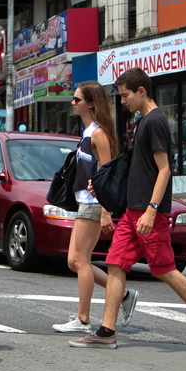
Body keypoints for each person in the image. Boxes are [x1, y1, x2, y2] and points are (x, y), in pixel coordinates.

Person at [71, 68, 186, 353]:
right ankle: (107, 330)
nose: (122, 101)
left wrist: (152, 210)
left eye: (125, 95)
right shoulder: (143, 121)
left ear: (141, 91)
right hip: (133, 211)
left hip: (147, 212)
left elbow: (164, 170)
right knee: (116, 263)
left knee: (166, 270)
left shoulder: (155, 121)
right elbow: (139, 169)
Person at [52, 81, 139, 334]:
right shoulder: (88, 132)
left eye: (77, 99)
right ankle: (122, 294)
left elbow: (107, 173)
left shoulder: (98, 133)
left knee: (80, 261)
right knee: (74, 261)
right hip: (83, 202)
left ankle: (83, 318)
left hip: (93, 204)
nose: (73, 103)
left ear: (91, 103)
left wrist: (104, 210)